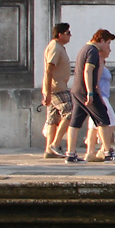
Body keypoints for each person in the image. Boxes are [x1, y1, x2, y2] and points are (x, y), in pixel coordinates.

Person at [64, 29, 115, 164]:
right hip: (85, 91)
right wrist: (90, 92)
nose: (108, 47)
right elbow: (88, 70)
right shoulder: (92, 51)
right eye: (108, 43)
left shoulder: (84, 49)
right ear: (102, 40)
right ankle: (108, 152)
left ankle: (70, 153)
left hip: (76, 90)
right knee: (103, 119)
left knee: (75, 122)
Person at [86, 44, 115, 163]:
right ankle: (103, 149)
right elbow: (96, 81)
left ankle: (90, 152)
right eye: (108, 47)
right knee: (112, 122)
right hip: (102, 97)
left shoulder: (100, 62)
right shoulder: (100, 62)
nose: (110, 50)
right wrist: (98, 97)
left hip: (101, 96)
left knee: (93, 126)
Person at [40, 23, 73, 158]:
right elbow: (49, 70)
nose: (70, 35)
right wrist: (47, 92)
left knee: (53, 118)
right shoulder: (55, 47)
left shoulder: (58, 47)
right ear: (60, 35)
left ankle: (49, 149)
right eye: (68, 33)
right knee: (69, 113)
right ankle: (55, 143)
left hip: (57, 87)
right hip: (57, 88)